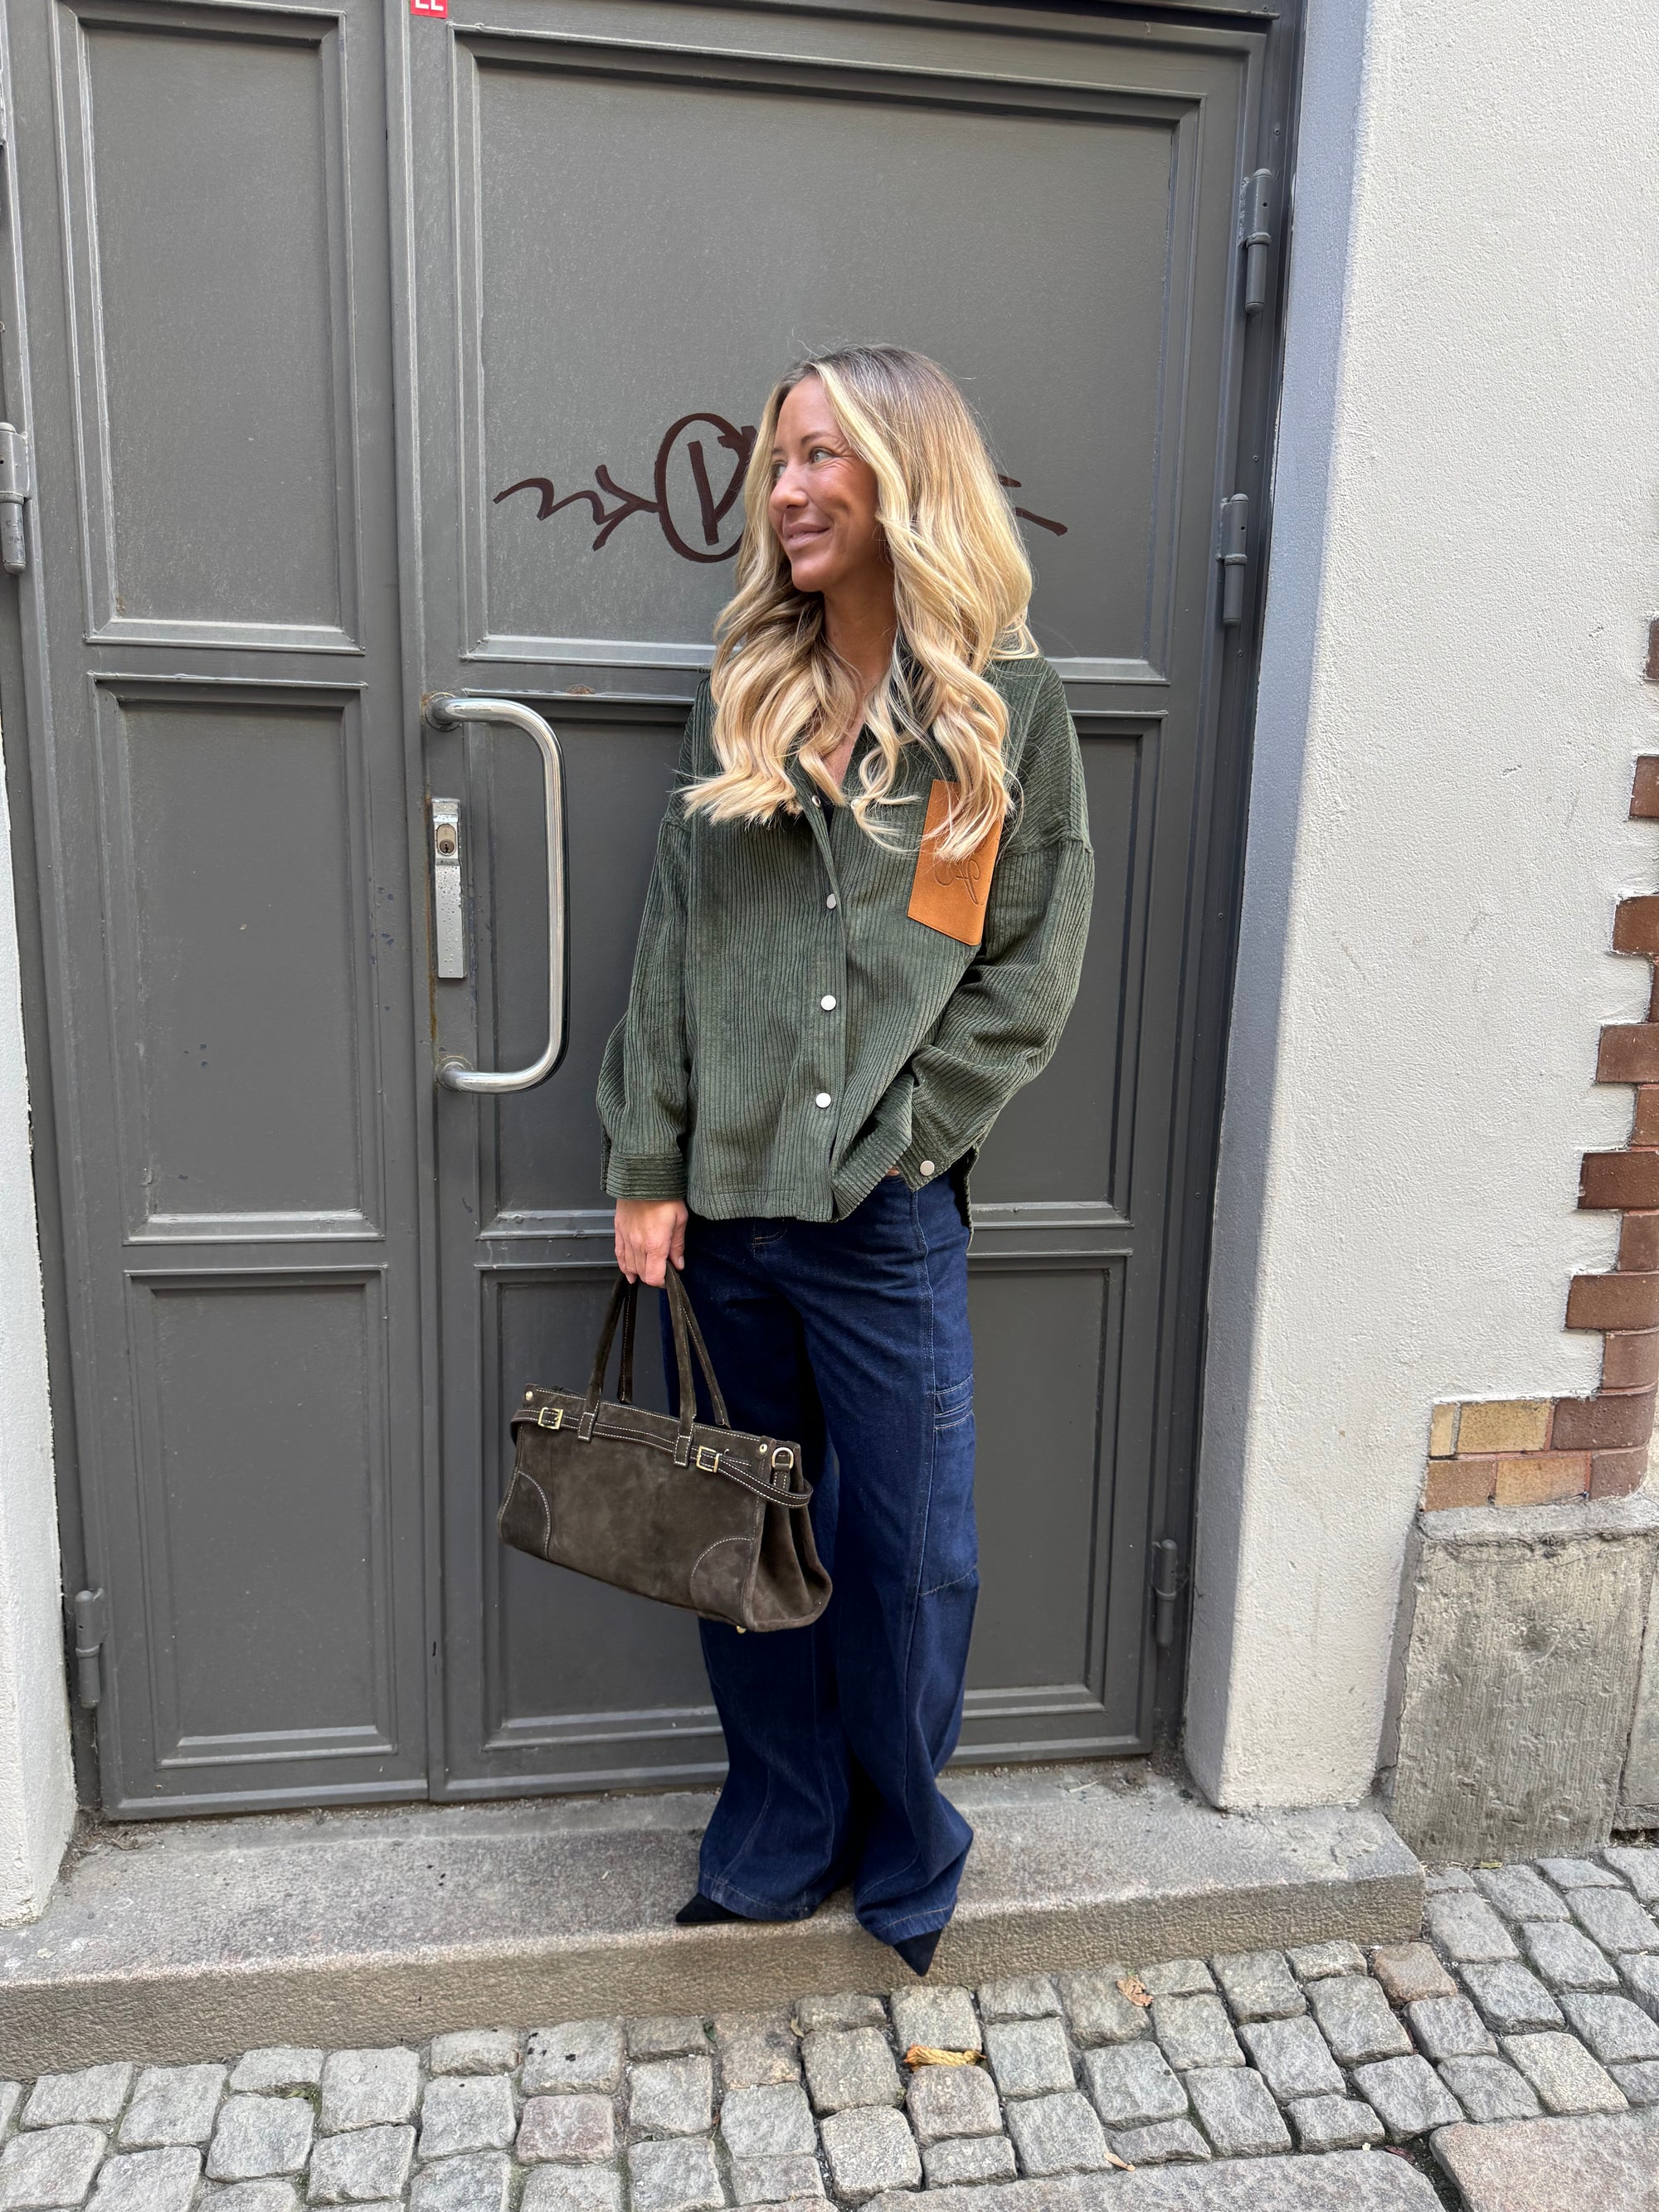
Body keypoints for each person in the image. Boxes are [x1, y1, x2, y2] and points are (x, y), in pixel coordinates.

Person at [597, 344, 1093, 1977]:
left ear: (904, 474)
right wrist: (648, 1158)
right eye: (779, 460)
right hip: (728, 1214)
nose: (789, 488)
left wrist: (905, 1143)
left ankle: (901, 1835)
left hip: (884, 1226)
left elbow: (1020, 970)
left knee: (910, 1555)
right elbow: (674, 943)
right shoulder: (745, 688)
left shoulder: (996, 716)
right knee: (746, 1550)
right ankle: (778, 1831)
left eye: (820, 455)